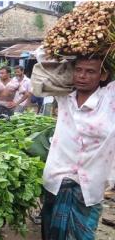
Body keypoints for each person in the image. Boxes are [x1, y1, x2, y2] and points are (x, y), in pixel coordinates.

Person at [41, 56, 115, 240]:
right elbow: (43, 57)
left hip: (90, 185)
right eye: (79, 69)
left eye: (90, 71)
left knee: (83, 234)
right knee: (52, 234)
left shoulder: (110, 99)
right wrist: (71, 50)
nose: (82, 76)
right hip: (57, 180)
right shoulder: (64, 96)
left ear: (103, 75)